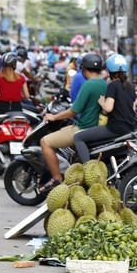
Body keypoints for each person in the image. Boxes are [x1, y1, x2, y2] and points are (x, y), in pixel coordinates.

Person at [38, 53, 107, 191]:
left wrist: (54, 117)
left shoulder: (88, 85)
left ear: (83, 69)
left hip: (83, 127)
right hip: (97, 128)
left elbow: (73, 111)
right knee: (64, 131)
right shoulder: (105, 84)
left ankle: (56, 179)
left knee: (45, 142)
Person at [73, 54, 136, 162]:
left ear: (108, 71)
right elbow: (133, 109)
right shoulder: (130, 87)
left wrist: (102, 102)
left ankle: (88, 168)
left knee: (78, 137)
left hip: (115, 128)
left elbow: (108, 108)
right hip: (129, 127)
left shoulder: (113, 85)